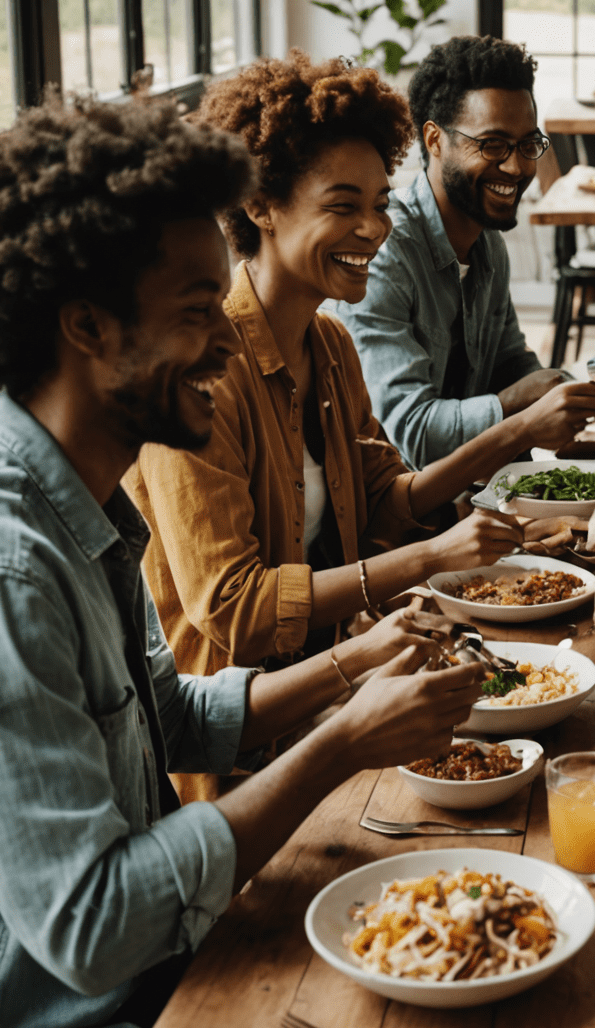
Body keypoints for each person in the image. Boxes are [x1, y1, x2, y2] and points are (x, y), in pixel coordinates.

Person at [0, 97, 485, 1028]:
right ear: (89, 327)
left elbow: (166, 713)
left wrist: (357, 676)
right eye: (200, 308)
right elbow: (96, 924)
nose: (228, 337)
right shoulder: (0, 567)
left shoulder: (78, 495)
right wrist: (341, 749)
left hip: (138, 985)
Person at [126, 51, 539, 685]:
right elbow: (234, 612)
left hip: (331, 673)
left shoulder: (329, 344)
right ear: (262, 206)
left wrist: (515, 441)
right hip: (242, 732)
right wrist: (432, 555)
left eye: (379, 203)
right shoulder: (202, 371)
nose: (374, 228)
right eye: (343, 206)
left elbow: (382, 500)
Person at [335, 34, 595, 466]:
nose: (518, 167)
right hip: (394, 511)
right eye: (492, 145)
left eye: (527, 145)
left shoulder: (487, 242)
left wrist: (571, 391)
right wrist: (517, 407)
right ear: (434, 140)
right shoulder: (384, 254)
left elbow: (508, 361)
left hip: (470, 488)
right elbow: (410, 434)